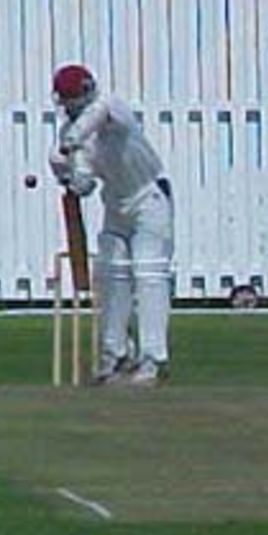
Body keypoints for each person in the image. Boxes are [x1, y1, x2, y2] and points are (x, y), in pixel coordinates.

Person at [50, 63, 174, 386]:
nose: (71, 107)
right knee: (111, 275)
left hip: (149, 196)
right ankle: (115, 354)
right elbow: (86, 185)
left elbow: (96, 117)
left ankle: (153, 358)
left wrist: (71, 142)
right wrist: (67, 174)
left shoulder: (110, 107)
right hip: (115, 204)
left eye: (73, 99)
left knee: (149, 273)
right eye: (66, 101)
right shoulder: (70, 135)